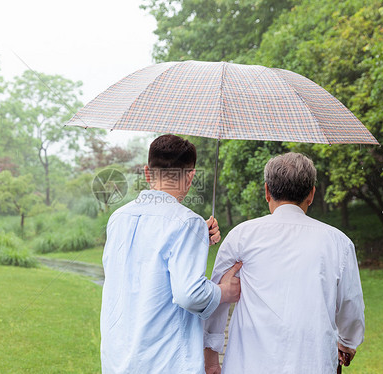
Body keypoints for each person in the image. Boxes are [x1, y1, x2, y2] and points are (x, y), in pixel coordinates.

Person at [204, 152, 365, 374]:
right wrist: (347, 342)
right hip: (313, 364)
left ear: (267, 191)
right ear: (311, 194)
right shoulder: (338, 243)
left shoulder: (242, 236)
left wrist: (211, 358)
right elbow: (351, 303)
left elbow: (217, 299)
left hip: (248, 364)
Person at [100, 134, 242, 374]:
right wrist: (224, 291)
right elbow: (190, 295)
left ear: (147, 172)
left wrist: (197, 241)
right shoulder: (187, 222)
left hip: (118, 358)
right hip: (165, 361)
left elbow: (141, 265)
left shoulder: (119, 218)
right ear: (190, 176)